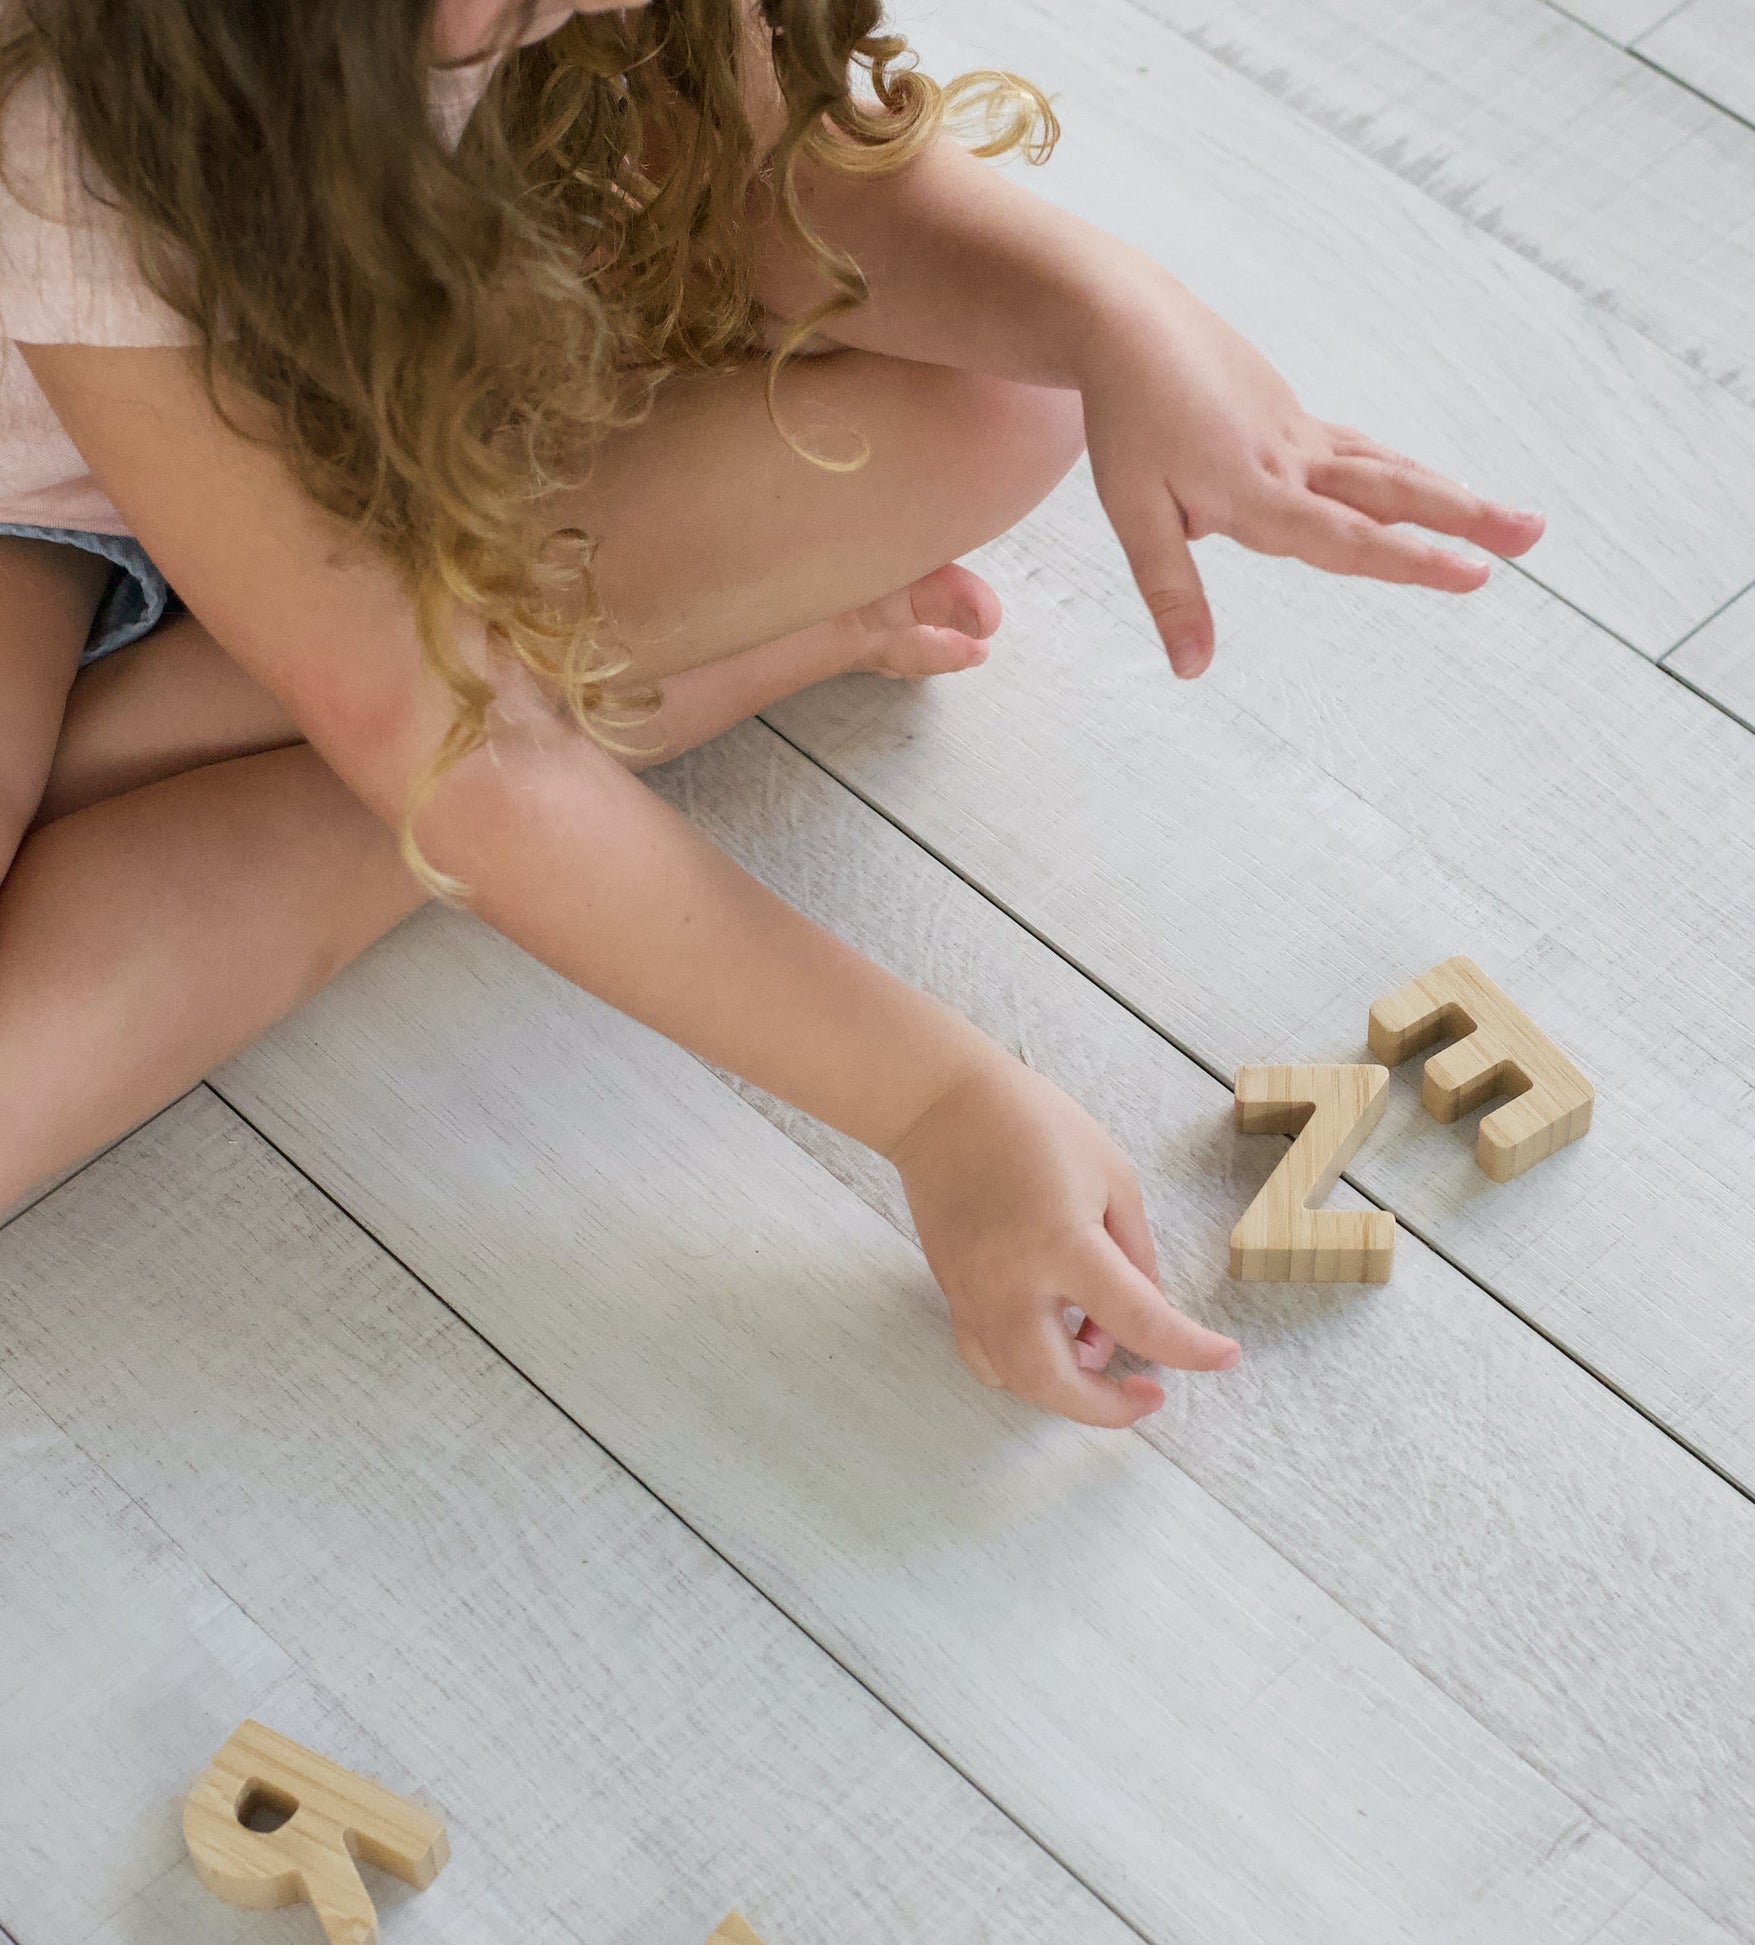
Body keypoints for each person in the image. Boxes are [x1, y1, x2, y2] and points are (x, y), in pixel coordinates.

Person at [0, 0, 1544, 1425]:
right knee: (433, 758)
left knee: (992, 407)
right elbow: (446, 743)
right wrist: (934, 1098)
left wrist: (1120, 316)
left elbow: (803, 203)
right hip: (32, 508)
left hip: (336, 448)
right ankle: (622, 704)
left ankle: (442, 704)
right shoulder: (80, 135)